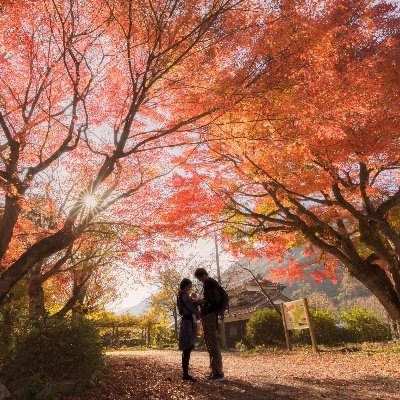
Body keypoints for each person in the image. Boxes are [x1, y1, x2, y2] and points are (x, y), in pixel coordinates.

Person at [194, 267, 225, 381]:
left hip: (210, 316)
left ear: (202, 276)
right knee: (210, 344)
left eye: (199, 278)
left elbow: (214, 300)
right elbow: (211, 299)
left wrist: (202, 301)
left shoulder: (210, 284)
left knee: (213, 344)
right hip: (208, 316)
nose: (200, 280)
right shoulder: (209, 284)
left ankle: (219, 373)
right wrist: (204, 300)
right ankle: (214, 372)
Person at [177, 278, 199, 382]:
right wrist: (198, 310)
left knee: (188, 348)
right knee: (187, 348)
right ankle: (185, 374)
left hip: (188, 321)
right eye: (189, 286)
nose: (190, 288)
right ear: (185, 285)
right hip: (187, 322)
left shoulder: (182, 295)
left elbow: (190, 306)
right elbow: (190, 307)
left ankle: (185, 373)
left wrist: (196, 303)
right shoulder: (183, 295)